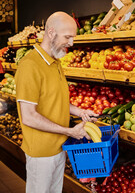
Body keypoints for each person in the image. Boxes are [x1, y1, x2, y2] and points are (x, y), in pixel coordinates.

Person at [15, 11, 99, 193]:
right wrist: (68, 131)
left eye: (73, 37)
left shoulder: (55, 62)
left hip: (59, 146)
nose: (71, 43)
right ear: (51, 33)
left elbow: (56, 101)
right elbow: (29, 117)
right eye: (67, 37)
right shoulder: (30, 65)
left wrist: (80, 112)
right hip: (42, 153)